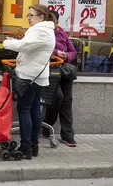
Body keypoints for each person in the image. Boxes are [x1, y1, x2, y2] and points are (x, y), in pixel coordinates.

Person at [3, 4, 56, 159]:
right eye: (28, 15)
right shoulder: (44, 31)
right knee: (34, 110)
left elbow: (24, 46)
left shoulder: (40, 30)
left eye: (31, 15)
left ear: (41, 17)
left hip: (29, 77)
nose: (28, 18)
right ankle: (33, 146)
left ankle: (27, 146)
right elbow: (29, 46)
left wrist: (7, 43)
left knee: (25, 110)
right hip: (36, 76)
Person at [43, 10, 78, 147]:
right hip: (50, 69)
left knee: (67, 101)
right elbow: (42, 48)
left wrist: (66, 56)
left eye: (54, 22)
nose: (52, 25)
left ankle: (68, 135)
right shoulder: (43, 33)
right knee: (57, 97)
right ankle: (47, 126)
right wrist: (57, 53)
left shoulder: (62, 33)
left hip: (64, 70)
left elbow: (73, 52)